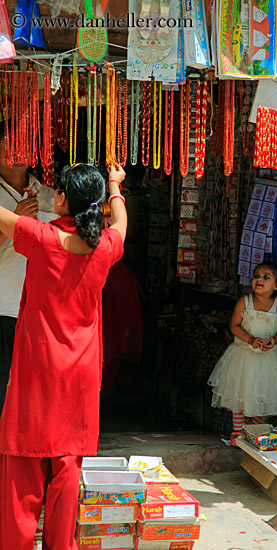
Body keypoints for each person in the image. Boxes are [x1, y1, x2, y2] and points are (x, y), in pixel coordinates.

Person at [0, 162, 127, 550]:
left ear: (60, 201)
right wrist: (116, 187)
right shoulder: (105, 246)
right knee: (67, 467)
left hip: (36, 370)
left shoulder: (39, 236)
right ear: (98, 206)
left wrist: (113, 189)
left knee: (22, 464)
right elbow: (121, 222)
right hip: (80, 373)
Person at [0, 122, 55, 413]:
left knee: (28, 396)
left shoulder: (46, 194)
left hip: (36, 310)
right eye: (10, 145)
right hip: (3, 307)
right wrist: (16, 220)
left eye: (24, 143)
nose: (18, 153)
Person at [208, 262, 277, 434]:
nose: (259, 279)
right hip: (243, 357)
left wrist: (275, 341)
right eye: (256, 275)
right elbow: (234, 326)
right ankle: (239, 435)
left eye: (266, 277)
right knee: (240, 398)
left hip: (268, 360)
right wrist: (250, 339)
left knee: (262, 398)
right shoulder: (244, 301)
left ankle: (258, 435)